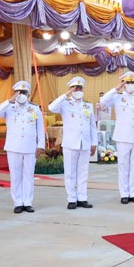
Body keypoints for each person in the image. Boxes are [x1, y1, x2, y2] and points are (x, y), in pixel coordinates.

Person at [0, 80, 45, 213]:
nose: (22, 94)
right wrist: (10, 100)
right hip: (13, 146)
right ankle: (17, 203)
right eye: (19, 92)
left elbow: (40, 128)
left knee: (28, 175)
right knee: (15, 175)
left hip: (30, 147)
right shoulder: (8, 107)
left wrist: (41, 145)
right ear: (15, 93)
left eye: (24, 92)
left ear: (28, 93)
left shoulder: (34, 108)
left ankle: (27, 202)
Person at [48, 76, 98, 209]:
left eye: (80, 88)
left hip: (85, 143)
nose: (78, 90)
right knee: (70, 172)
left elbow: (92, 125)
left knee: (83, 172)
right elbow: (51, 107)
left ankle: (82, 198)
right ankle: (71, 199)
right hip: (70, 143)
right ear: (71, 89)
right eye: (76, 88)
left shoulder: (88, 105)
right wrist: (66, 94)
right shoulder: (65, 103)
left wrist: (94, 143)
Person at [100, 71, 134, 204]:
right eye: (128, 82)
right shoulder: (117, 97)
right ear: (124, 84)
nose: (130, 85)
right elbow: (103, 101)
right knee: (123, 165)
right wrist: (116, 88)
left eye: (132, 82)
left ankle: (133, 193)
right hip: (123, 137)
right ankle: (124, 193)